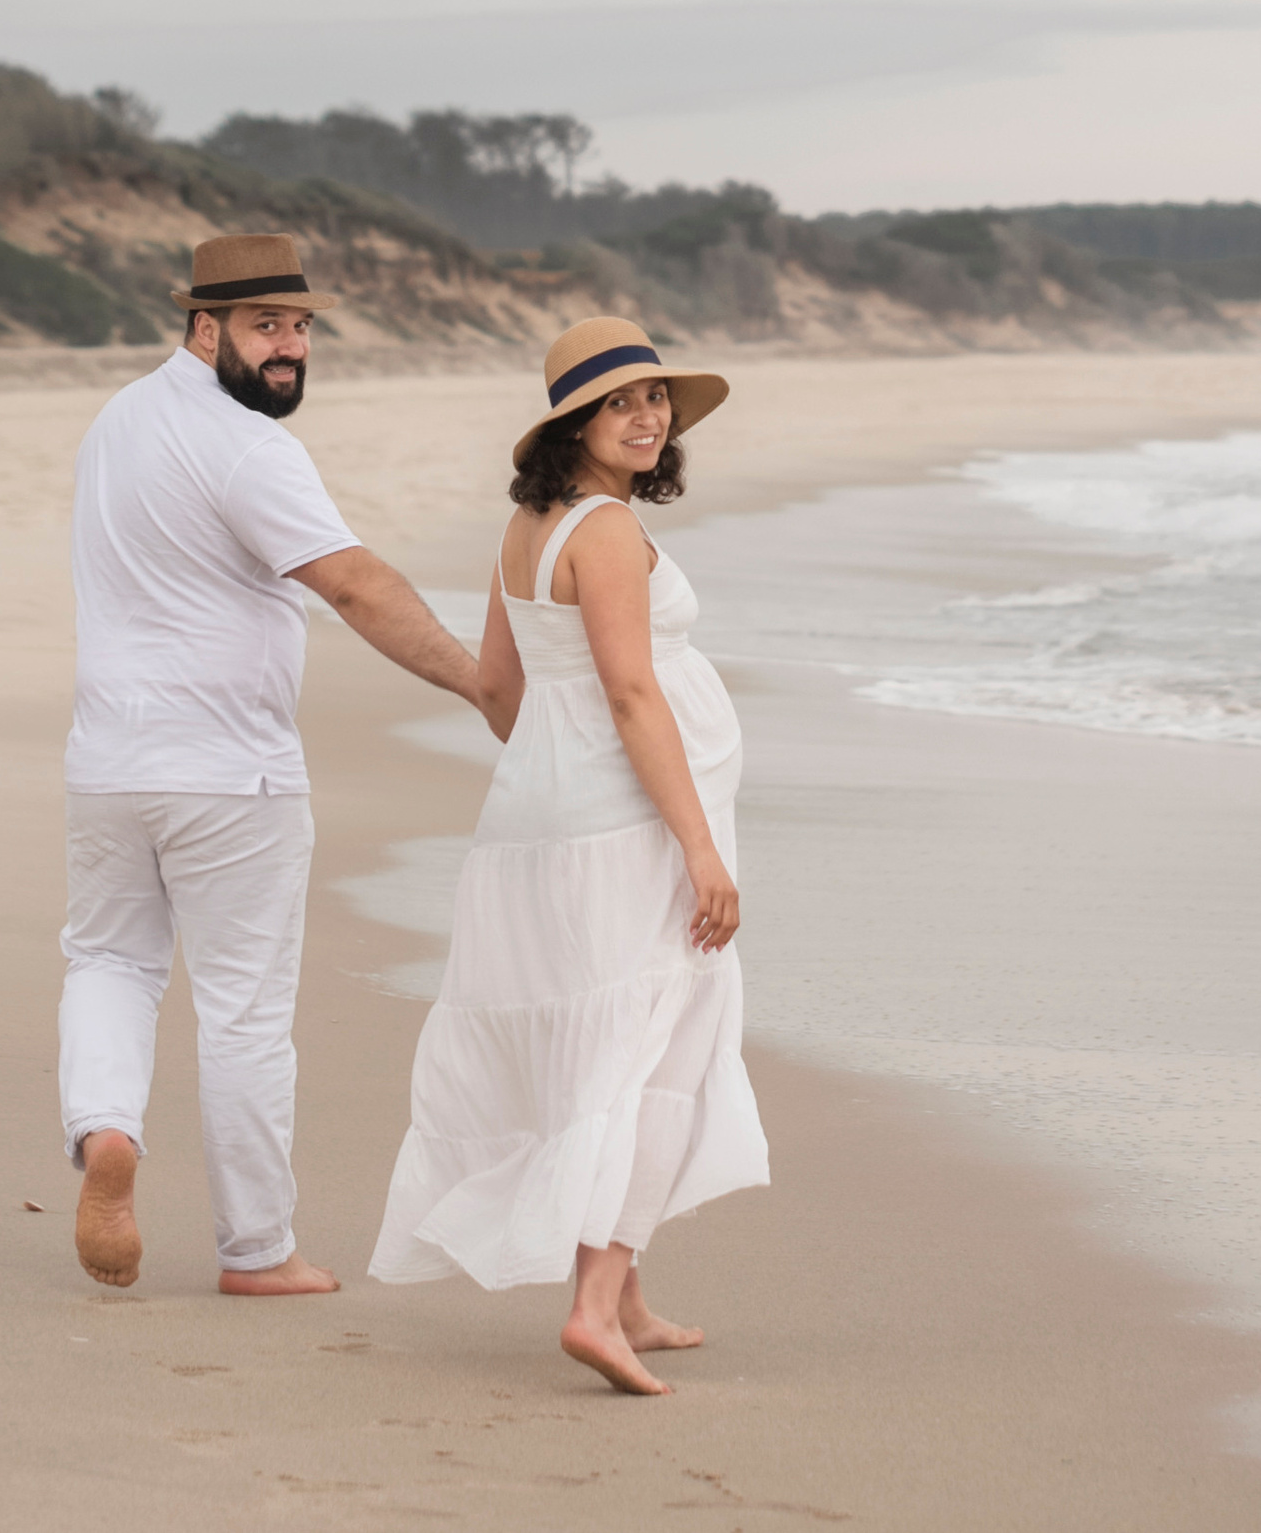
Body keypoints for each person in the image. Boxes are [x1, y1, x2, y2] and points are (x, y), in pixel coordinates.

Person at [59, 234, 479, 1294]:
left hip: (109, 762)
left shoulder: (117, 421)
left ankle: (106, 1130)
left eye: (300, 326)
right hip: (229, 774)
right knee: (243, 1010)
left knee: (110, 964)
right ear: (204, 327)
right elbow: (353, 584)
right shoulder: (251, 448)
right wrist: (480, 683)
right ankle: (257, 1249)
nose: (290, 347)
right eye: (265, 326)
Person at [367, 317, 770, 1395]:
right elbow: (632, 693)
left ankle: (624, 1296)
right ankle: (594, 1307)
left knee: (612, 1041)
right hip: (630, 830)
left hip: (548, 823)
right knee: (653, 1050)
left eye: (655, 400)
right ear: (574, 425)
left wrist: (560, 770)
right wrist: (697, 848)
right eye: (618, 404)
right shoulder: (603, 534)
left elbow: (503, 689)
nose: (646, 417)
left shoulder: (525, 527)